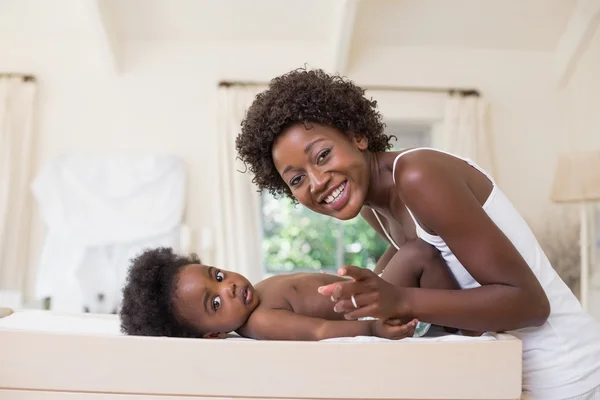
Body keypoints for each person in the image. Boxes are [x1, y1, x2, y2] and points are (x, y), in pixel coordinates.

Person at [234, 67, 600, 399]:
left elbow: (531, 305)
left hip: (569, 376)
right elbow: (443, 291)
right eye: (296, 179)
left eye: (323, 155)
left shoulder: (418, 175)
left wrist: (401, 299)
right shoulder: (371, 209)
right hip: (505, 378)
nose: (316, 182)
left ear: (357, 135)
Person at [119, 239, 465, 341]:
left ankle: (448, 303)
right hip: (377, 310)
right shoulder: (261, 322)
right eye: (214, 302)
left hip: (368, 293)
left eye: (218, 276)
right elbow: (320, 329)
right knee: (418, 253)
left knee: (401, 240)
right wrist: (374, 326)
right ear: (212, 334)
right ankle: (462, 321)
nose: (229, 287)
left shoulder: (258, 292)